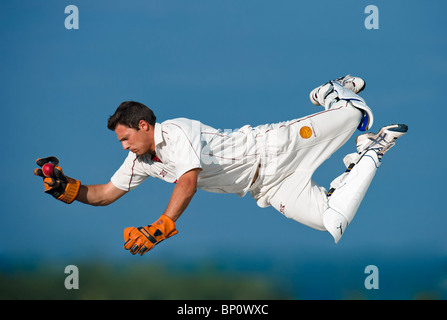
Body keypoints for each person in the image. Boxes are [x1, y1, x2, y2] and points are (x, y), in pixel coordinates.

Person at [34, 75, 408, 256]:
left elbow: (188, 181)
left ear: (144, 125)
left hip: (275, 147)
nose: (125, 146)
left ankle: (332, 91)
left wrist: (162, 226)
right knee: (334, 223)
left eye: (126, 138)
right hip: (269, 187)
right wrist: (65, 186)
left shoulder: (176, 131)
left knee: (359, 111)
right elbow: (102, 195)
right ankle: (370, 152)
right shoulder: (141, 161)